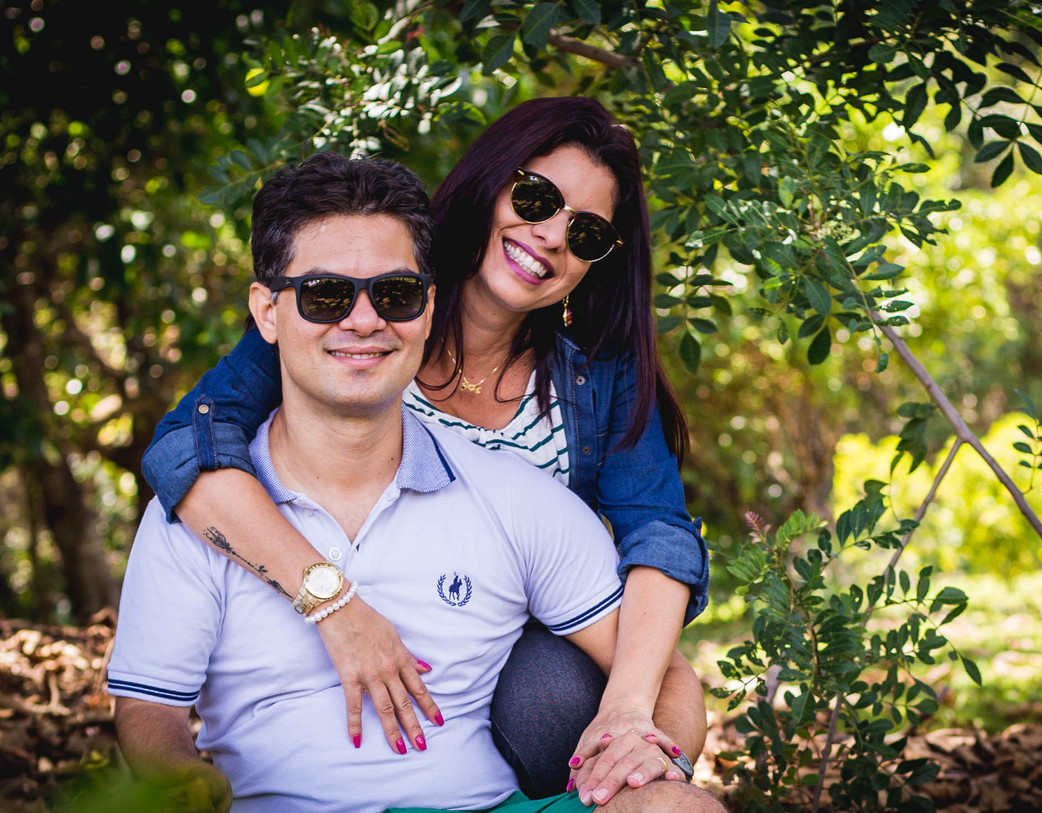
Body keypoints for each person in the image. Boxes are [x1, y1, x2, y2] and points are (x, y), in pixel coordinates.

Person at [109, 153, 724, 813]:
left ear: (424, 307)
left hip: (505, 744)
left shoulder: (534, 466)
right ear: (269, 312)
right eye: (325, 294)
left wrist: (643, 736)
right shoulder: (211, 501)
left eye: (395, 294)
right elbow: (183, 450)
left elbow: (658, 537)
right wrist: (331, 604)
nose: (363, 319)